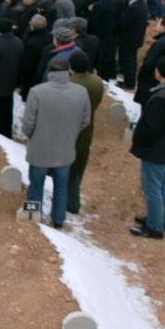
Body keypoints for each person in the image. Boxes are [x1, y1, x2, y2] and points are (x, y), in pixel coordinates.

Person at [21, 58, 91, 229]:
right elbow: (85, 120)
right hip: (65, 149)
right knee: (61, 186)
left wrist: (31, 136)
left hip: (40, 147)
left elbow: (28, 123)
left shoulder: (37, 92)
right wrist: (71, 133)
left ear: (49, 72)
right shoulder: (81, 92)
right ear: (68, 71)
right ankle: (58, 219)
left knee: (36, 183)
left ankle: (34, 215)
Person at [130, 57, 165, 239]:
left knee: (152, 188)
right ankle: (159, 219)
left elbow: (151, 128)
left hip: (156, 149)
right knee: (161, 186)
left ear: (160, 73)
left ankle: (155, 227)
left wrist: (138, 139)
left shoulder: (162, 98)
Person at [66, 51, 103, 214]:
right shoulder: (97, 81)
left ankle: (72, 202)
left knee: (70, 166)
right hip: (88, 128)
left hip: (70, 129)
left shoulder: (70, 85)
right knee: (81, 161)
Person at [115, 0, 149, 90]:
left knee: (128, 61)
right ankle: (127, 80)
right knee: (129, 60)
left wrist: (116, 25)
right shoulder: (142, 5)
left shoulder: (134, 8)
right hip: (135, 38)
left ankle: (129, 83)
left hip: (129, 39)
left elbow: (124, 22)